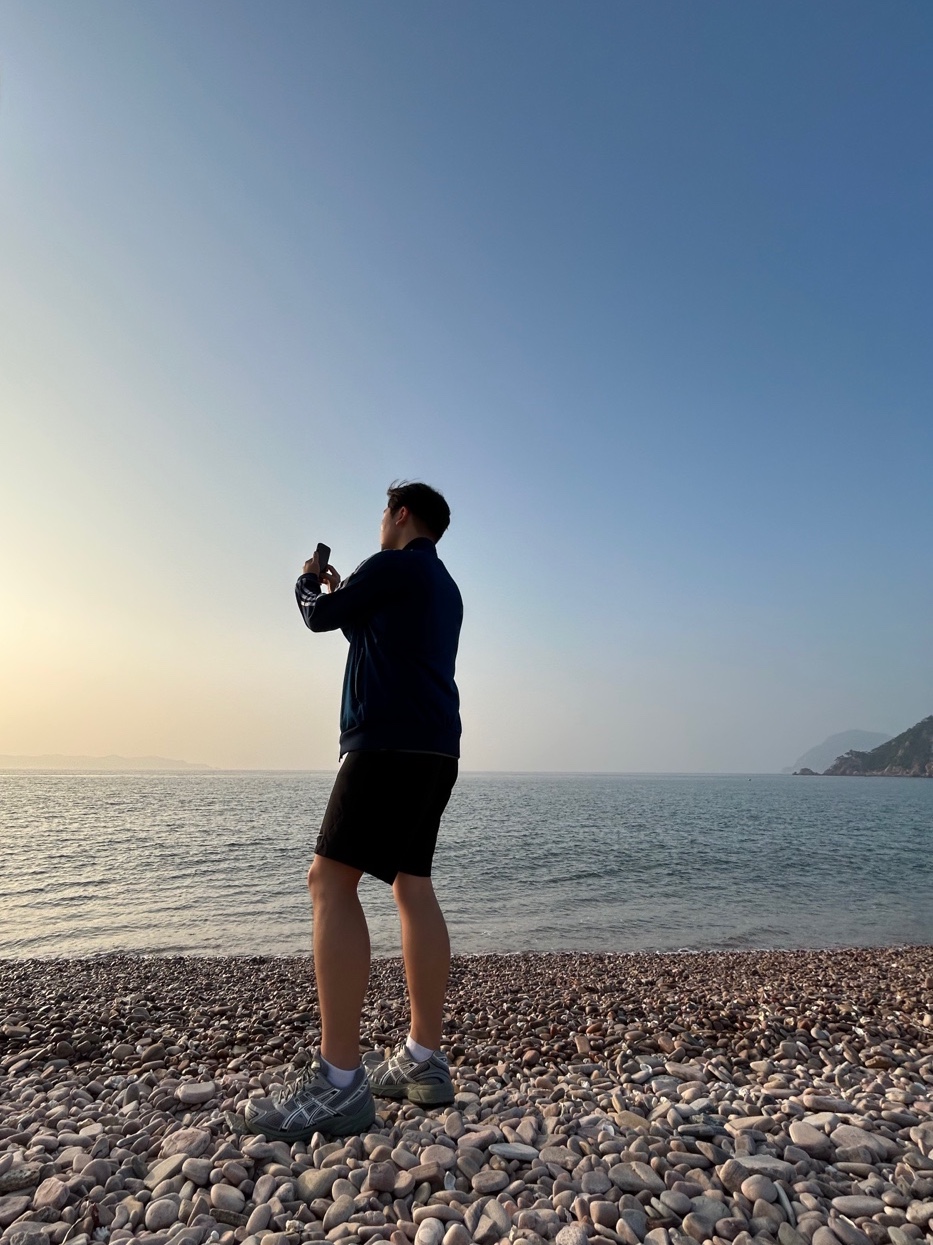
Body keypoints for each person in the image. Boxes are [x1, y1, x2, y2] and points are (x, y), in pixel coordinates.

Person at [245, 481, 463, 1140]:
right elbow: (373, 638)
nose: (379, 522)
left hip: (386, 744)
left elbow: (317, 616)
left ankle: (338, 1080)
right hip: (435, 746)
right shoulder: (441, 586)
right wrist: (347, 597)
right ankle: (423, 1058)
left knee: (329, 879)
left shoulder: (392, 565)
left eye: (382, 511)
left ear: (400, 514)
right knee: (410, 883)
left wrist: (307, 582)